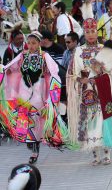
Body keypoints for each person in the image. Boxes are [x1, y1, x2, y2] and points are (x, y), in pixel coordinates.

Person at [0, 31, 68, 164]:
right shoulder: (22, 55)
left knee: (36, 121)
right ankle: (30, 142)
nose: (31, 46)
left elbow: (54, 71)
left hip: (39, 92)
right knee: (24, 121)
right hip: (23, 92)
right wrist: (5, 71)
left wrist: (52, 88)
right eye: (29, 43)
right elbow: (11, 67)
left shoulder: (44, 56)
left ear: (39, 44)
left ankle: (35, 150)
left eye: (34, 43)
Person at [67, 18, 112, 166]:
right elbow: (72, 74)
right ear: (84, 34)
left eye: (93, 31)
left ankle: (107, 153)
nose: (91, 34)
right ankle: (94, 154)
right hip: (87, 92)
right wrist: (82, 81)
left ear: (96, 32)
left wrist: (102, 76)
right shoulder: (78, 51)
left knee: (104, 118)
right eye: (87, 32)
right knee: (90, 121)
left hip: (104, 89)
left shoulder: (104, 49)